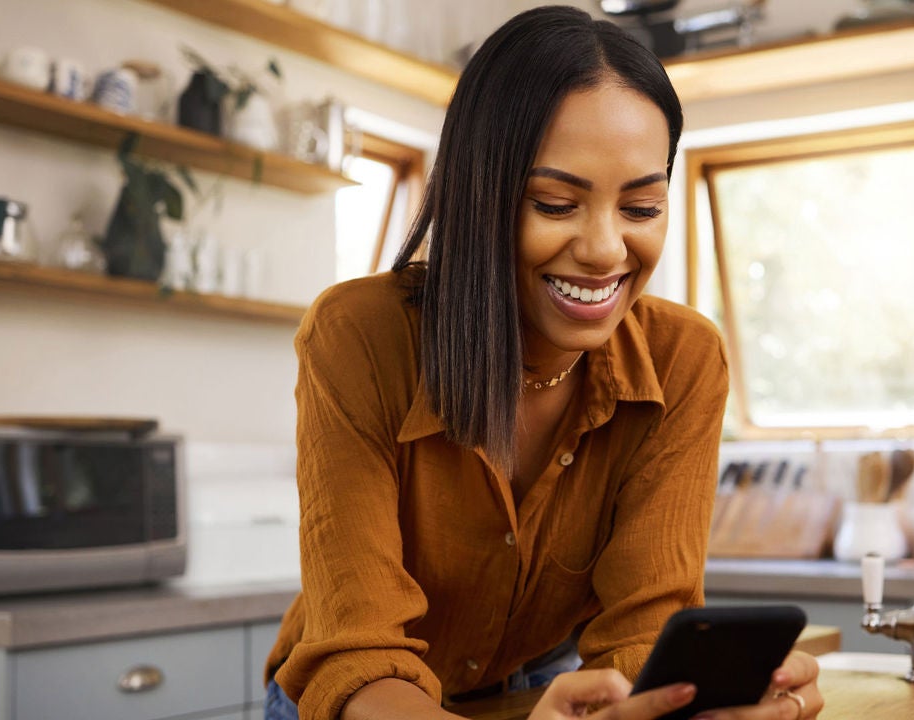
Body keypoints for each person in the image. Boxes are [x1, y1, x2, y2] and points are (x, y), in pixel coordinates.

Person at [263, 6, 823, 720]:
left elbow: (642, 632)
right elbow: (359, 653)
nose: (606, 250)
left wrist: (691, 702)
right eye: (556, 203)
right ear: (477, 196)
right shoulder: (358, 337)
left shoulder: (683, 359)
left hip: (542, 698)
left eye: (642, 207)